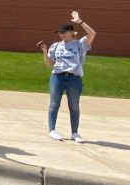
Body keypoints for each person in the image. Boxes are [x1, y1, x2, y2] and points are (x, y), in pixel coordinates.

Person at [38, 11, 96, 143]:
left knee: (74, 106)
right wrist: (45, 52)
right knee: (54, 104)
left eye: (64, 32)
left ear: (72, 32)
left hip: (74, 78)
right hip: (57, 77)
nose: (62, 34)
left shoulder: (79, 44)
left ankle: (75, 133)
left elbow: (92, 34)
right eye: (60, 33)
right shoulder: (56, 46)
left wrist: (79, 21)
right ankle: (52, 130)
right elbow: (50, 64)